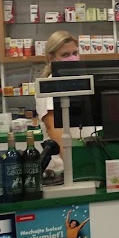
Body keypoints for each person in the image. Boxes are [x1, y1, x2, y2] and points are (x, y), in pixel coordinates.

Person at [36, 30, 80, 185]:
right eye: (65, 55)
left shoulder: (80, 82)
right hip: (61, 169)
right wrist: (74, 165)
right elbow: (54, 130)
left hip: (84, 161)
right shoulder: (49, 85)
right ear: (51, 58)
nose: (72, 58)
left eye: (75, 53)